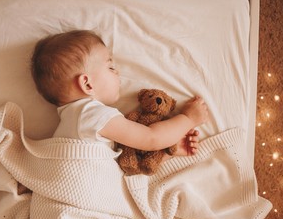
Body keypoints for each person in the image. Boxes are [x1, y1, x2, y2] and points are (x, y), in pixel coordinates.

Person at [31, 30, 208, 160]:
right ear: (87, 84)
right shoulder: (91, 114)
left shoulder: (73, 120)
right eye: (110, 67)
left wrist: (169, 150)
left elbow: (120, 163)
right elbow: (150, 138)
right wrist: (188, 119)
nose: (117, 72)